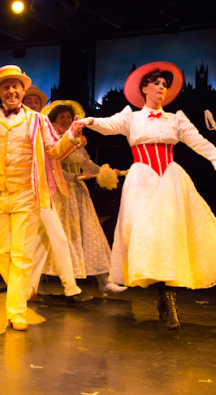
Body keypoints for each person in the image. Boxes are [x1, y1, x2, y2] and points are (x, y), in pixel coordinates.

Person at [80, 62, 216, 329]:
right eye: (156, 83)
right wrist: (88, 121)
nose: (161, 87)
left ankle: (167, 299)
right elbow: (107, 124)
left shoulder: (176, 119)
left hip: (169, 180)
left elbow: (199, 142)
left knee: (170, 238)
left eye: (165, 85)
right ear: (144, 88)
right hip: (143, 181)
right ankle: (160, 292)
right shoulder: (131, 118)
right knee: (147, 235)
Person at [0, 65, 84, 331]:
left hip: (27, 195)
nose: (11, 91)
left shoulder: (38, 120)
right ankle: (25, 287)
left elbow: (55, 151)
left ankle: (17, 311)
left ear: (22, 90)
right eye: (6, 87)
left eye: (16, 86)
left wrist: (72, 137)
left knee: (22, 254)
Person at [44, 100, 127, 297]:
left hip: (78, 194)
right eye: (61, 117)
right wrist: (75, 177)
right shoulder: (52, 141)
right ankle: (42, 282)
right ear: (54, 120)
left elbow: (87, 163)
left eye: (68, 117)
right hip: (60, 192)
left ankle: (104, 281)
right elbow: (51, 168)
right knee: (59, 239)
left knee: (91, 236)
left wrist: (106, 172)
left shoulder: (78, 141)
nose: (65, 120)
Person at [22, 86, 92, 303]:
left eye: (36, 102)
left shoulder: (44, 126)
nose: (33, 105)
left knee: (44, 241)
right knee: (52, 239)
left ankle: (31, 288)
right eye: (29, 101)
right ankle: (67, 288)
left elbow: (56, 150)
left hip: (48, 189)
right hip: (27, 190)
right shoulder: (18, 125)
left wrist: (72, 137)